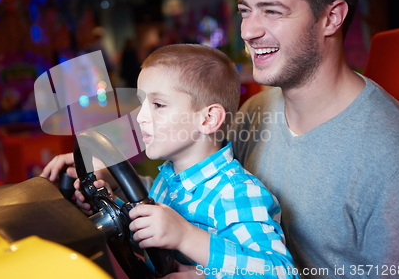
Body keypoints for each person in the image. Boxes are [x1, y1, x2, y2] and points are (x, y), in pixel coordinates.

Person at [42, 44, 298, 278]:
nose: (140, 117)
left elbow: (279, 272)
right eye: (142, 104)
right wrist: (111, 202)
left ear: (208, 119)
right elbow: (151, 239)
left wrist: (186, 237)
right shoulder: (169, 178)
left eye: (158, 105)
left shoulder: (237, 194)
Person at [230, 0, 399, 278]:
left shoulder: (392, 159)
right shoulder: (255, 111)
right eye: (245, 10)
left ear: (331, 18)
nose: (248, 31)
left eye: (272, 11)